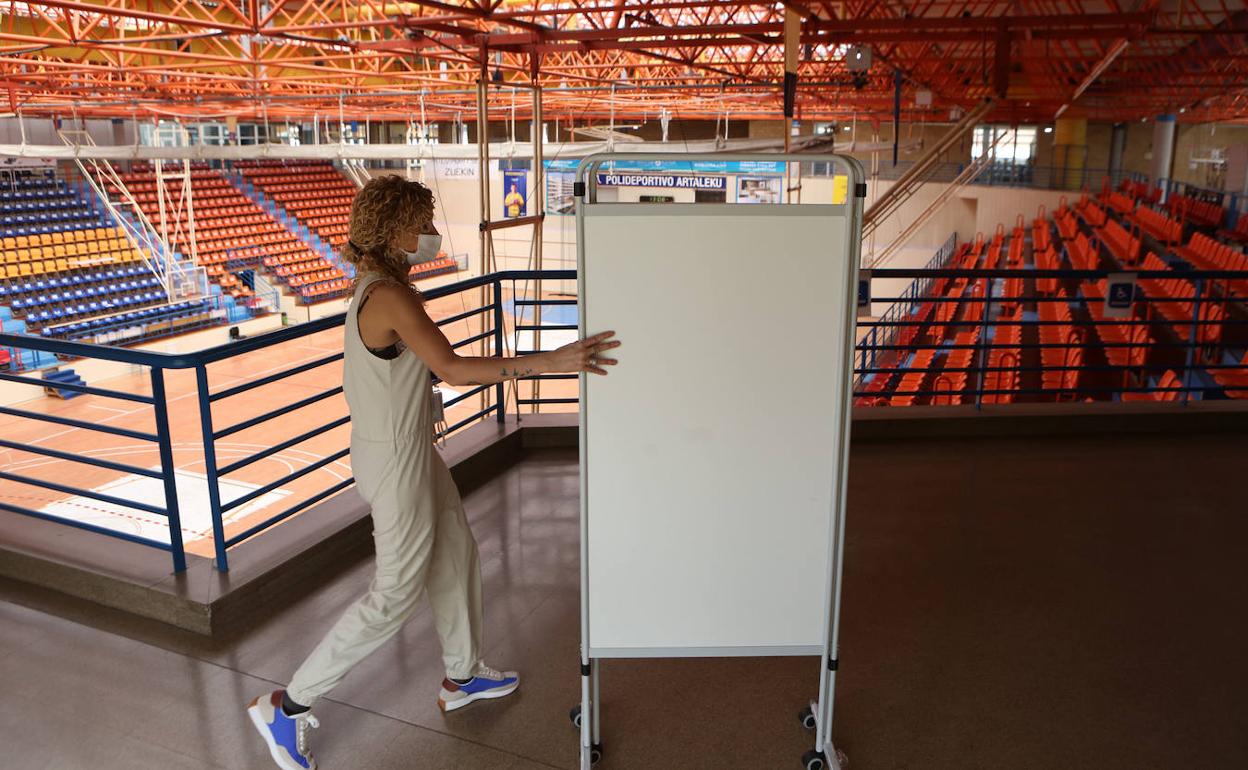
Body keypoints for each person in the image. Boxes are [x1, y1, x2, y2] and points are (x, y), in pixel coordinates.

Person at [247, 175, 619, 770]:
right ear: (394, 229)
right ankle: (287, 706)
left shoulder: (385, 286)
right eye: (422, 223)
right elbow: (448, 366)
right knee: (393, 594)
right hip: (396, 460)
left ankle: (462, 676)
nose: (431, 234)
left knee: (455, 556)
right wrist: (549, 361)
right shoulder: (387, 296)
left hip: (408, 449)